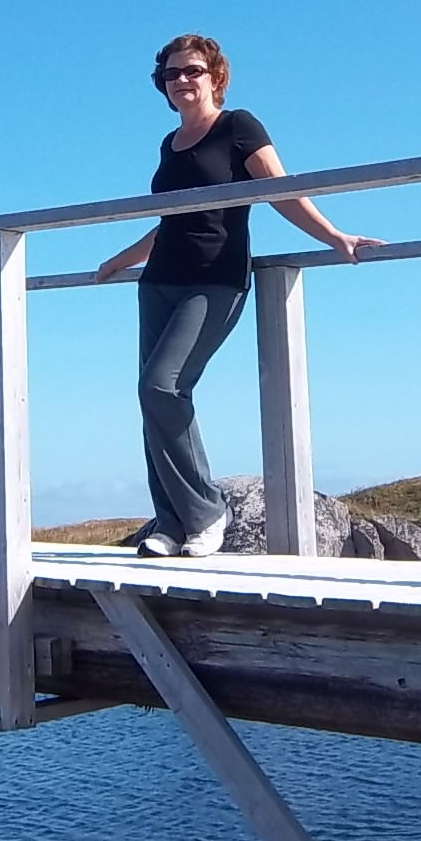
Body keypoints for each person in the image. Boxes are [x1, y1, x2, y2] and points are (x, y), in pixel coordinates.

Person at [95, 34, 382, 557]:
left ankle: (206, 513)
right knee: (150, 397)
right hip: (158, 280)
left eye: (193, 70)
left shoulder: (238, 126)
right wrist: (120, 260)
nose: (182, 80)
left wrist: (333, 235)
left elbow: (280, 190)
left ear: (215, 76)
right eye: (172, 73)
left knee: (164, 387)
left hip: (214, 279)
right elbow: (172, 223)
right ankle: (170, 524)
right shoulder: (169, 143)